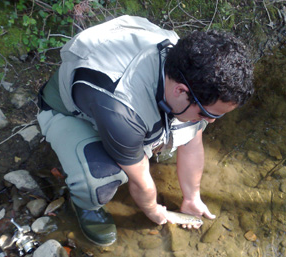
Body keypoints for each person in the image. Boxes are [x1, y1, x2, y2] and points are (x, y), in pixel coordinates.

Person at [37, 15, 254, 246]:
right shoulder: (121, 112)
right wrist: (153, 210)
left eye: (217, 116)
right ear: (180, 91)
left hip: (123, 110)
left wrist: (192, 197)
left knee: (180, 126)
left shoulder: (194, 71)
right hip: (66, 110)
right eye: (208, 114)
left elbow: (193, 140)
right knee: (104, 180)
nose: (211, 122)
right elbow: (140, 181)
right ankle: (84, 205)